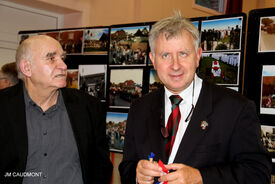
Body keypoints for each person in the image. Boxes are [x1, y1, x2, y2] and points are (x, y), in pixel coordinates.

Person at [119, 12, 272, 184]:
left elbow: (258, 173)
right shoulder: (139, 109)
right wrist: (137, 173)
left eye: (183, 53)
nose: (175, 65)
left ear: (198, 56)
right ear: (153, 60)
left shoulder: (236, 109)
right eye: (165, 55)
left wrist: (200, 177)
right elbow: (127, 167)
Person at [0, 35, 113, 184]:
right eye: (51, 58)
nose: (64, 66)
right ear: (27, 68)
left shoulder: (89, 107)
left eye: (62, 58)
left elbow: (101, 165)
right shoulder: (3, 106)